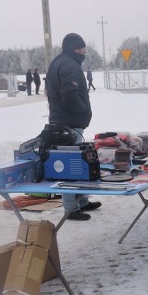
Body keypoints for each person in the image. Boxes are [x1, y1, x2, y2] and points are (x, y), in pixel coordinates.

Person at [46, 33, 100, 221]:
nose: (84, 51)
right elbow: (69, 93)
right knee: (71, 167)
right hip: (69, 122)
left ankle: (82, 201)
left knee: (79, 163)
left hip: (63, 120)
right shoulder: (69, 64)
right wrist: (82, 110)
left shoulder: (58, 62)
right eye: (82, 48)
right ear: (74, 49)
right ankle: (71, 209)